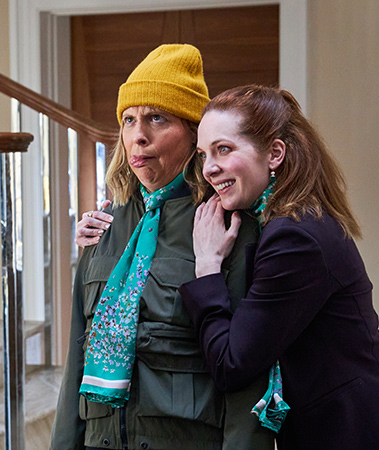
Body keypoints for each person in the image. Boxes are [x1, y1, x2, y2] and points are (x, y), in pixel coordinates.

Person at [179, 84, 379, 449]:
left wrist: (208, 267)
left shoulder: (294, 238)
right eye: (203, 154)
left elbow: (232, 363)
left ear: (275, 153)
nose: (210, 168)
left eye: (224, 149)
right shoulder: (290, 219)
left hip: (369, 431)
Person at [51, 44, 274, 450]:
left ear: (194, 134)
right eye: (129, 119)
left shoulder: (228, 228)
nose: (139, 135)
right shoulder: (103, 226)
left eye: (158, 118)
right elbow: (75, 366)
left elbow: (248, 380)